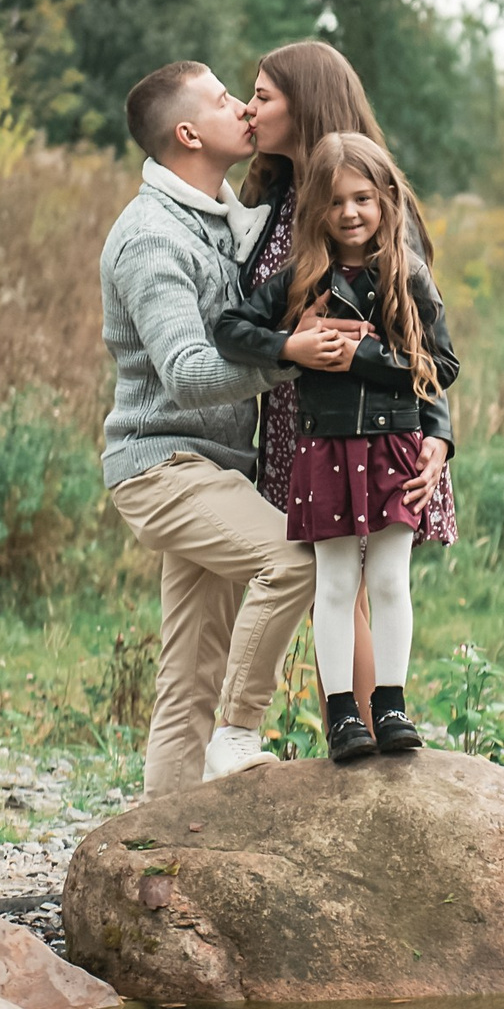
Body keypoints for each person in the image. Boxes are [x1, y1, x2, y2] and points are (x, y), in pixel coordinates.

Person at [97, 61, 367, 796]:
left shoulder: (216, 213)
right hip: (164, 467)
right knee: (295, 561)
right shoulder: (152, 236)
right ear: (188, 133)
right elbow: (185, 369)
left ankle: (158, 845)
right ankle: (240, 729)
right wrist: (289, 355)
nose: (244, 109)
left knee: (188, 675)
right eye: (225, 100)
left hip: (215, 468)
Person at [217, 134, 458, 761]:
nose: (350, 212)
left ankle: (392, 704)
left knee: (387, 579)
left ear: (386, 200)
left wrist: (363, 357)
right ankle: (343, 715)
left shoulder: (407, 274)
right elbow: (229, 328)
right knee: (332, 584)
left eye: (363, 198)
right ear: (316, 210)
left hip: (393, 449)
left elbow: (442, 364)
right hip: (323, 449)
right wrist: (288, 349)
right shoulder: (300, 276)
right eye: (335, 201)